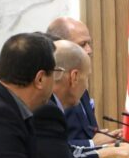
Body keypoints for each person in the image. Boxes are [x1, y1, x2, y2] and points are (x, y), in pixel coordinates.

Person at [46, 17, 122, 147]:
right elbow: (52, 148)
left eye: (89, 43)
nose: (89, 50)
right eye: (82, 44)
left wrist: (115, 144)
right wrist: (92, 143)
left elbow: (92, 136)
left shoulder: (80, 83)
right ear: (62, 46)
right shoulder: (48, 98)